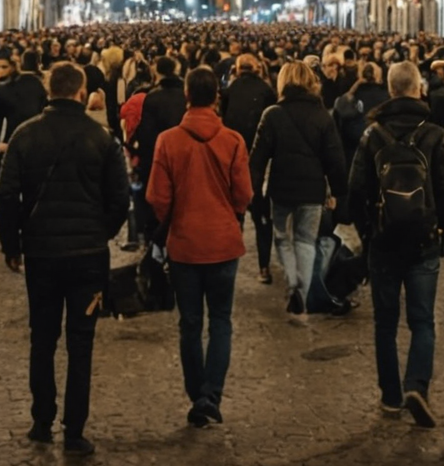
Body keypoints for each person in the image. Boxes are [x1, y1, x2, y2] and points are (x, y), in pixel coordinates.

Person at [0, 61, 131, 456]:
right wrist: (100, 232)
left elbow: (7, 195)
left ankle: (42, 420)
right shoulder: (102, 138)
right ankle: (75, 429)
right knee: (81, 341)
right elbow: (120, 199)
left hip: (41, 252)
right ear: (81, 92)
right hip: (88, 255)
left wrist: (12, 244)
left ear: (48, 90)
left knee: (42, 337)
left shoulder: (25, 134)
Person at [346, 61, 444, 429]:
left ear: (391, 89)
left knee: (385, 322)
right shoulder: (435, 133)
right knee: (423, 320)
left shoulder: (372, 135)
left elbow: (355, 191)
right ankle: (417, 384)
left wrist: (368, 232)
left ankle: (391, 396)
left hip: (383, 241)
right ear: (417, 88)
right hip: (424, 239)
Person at [149, 68, 254, 426]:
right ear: (217, 98)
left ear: (187, 96)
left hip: (185, 243)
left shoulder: (168, 141)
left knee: (190, 323)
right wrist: (229, 212)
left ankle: (197, 394)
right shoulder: (233, 140)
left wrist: (174, 217)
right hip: (223, 241)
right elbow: (244, 194)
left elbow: (157, 197)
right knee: (221, 320)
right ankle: (212, 393)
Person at [249, 59, 349, 323]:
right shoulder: (322, 115)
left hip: (281, 188)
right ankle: (302, 295)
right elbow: (335, 159)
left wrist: (252, 192)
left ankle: (293, 282)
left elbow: (257, 159)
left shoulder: (272, 114)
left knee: (282, 238)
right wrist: (338, 192)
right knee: (306, 240)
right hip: (312, 189)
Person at [219, 54, 277, 285]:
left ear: (236, 70)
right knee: (262, 217)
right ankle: (264, 267)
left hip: (233, 157)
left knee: (235, 213)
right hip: (258, 160)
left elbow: (224, 121)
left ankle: (229, 260)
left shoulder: (229, 91)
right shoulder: (266, 90)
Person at [128, 57, 187, 246]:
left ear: (157, 71)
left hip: (159, 156)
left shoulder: (152, 97)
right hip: (185, 156)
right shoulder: (185, 95)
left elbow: (146, 135)